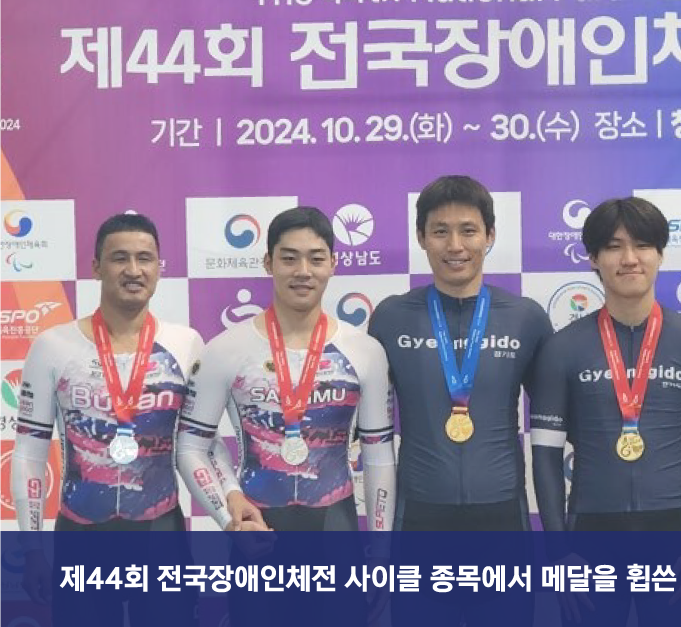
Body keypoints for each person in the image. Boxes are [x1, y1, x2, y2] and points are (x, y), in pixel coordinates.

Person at [176, 207, 396, 625]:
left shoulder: (365, 351)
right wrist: (228, 515)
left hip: (336, 533)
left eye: (315, 258)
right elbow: (190, 446)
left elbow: (379, 456)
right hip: (256, 534)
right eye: (289, 258)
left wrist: (382, 554)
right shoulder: (226, 349)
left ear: (333, 263)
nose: (303, 271)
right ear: (268, 262)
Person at [530, 196, 681, 626]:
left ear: (660, 253)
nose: (629, 258)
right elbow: (545, 455)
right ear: (593, 258)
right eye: (613, 246)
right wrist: (558, 552)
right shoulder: (562, 349)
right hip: (589, 541)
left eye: (642, 245)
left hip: (677, 541)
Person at [11, 213, 215, 626]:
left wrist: (227, 514)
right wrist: (32, 549)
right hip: (81, 534)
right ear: (96, 267)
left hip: (161, 533)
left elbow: (198, 447)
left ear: (159, 267)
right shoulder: (53, 346)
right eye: (120, 258)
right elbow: (30, 453)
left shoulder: (186, 343)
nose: (133, 270)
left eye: (145, 258)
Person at [367, 176, 551, 627]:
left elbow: (560, 421)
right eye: (440, 231)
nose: (455, 245)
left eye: (468, 230)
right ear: (421, 238)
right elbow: (365, 426)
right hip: (419, 521)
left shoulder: (526, 318)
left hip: (503, 521)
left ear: (490, 235)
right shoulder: (390, 317)